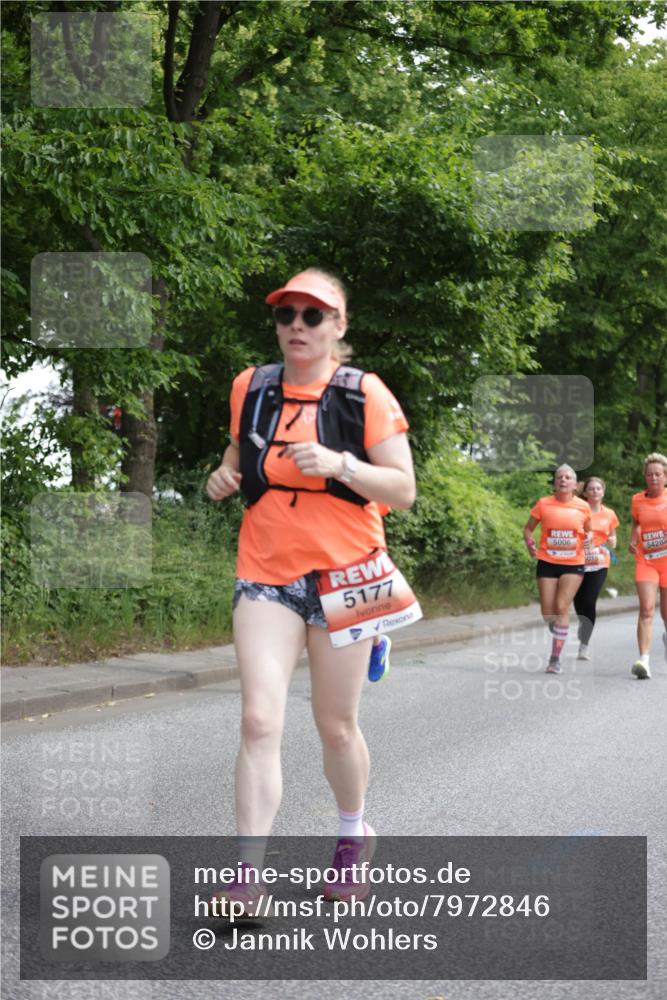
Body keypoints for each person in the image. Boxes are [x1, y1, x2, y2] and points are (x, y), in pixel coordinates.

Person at [205, 268, 416, 913]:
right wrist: (224, 473)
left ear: (338, 327)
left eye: (312, 316)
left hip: (348, 575)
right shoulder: (252, 386)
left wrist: (342, 464)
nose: (297, 326)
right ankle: (247, 877)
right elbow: (242, 456)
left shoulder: (364, 394)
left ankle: (353, 835)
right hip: (266, 571)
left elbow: (403, 492)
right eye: (286, 314)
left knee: (335, 726)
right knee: (258, 718)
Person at [524, 465, 592, 673]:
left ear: (574, 484)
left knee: (562, 607)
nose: (563, 480)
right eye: (559, 477)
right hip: (547, 561)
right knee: (548, 613)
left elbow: (588, 532)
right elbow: (528, 529)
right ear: (555, 483)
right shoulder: (544, 504)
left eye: (568, 477)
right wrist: (529, 543)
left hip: (573, 563)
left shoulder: (583, 506)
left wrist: (588, 540)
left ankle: (555, 659)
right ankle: (559, 629)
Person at [628, 452, 667, 680]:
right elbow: (636, 524)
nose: (653, 478)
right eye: (650, 474)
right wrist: (633, 540)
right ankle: (644, 660)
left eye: (658, 474)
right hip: (646, 561)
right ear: (645, 476)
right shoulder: (637, 500)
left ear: (665, 477)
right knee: (646, 609)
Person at [573, 477, 619, 660]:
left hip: (599, 563)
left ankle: (584, 645)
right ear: (585, 493)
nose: (595, 492)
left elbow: (612, 535)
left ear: (603, 492)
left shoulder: (609, 514)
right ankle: (584, 624)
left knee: (590, 601)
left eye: (598, 488)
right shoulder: (578, 511)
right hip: (578, 561)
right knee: (578, 602)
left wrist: (613, 541)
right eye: (591, 489)